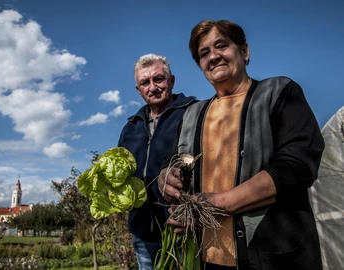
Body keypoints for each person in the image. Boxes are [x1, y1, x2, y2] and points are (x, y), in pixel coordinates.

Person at [158, 20, 324, 270]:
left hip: (272, 257)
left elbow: (298, 163)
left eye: (221, 46)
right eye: (204, 54)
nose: (213, 56)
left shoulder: (278, 92)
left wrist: (221, 203)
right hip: (207, 259)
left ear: (244, 52)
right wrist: (165, 179)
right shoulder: (192, 115)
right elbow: (173, 163)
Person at [118, 53, 197, 269]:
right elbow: (122, 176)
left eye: (159, 79)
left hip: (184, 229)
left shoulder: (193, 112)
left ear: (171, 81)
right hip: (144, 234)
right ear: (138, 89)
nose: (153, 87)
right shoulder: (131, 127)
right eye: (145, 82)